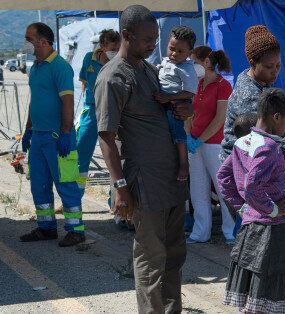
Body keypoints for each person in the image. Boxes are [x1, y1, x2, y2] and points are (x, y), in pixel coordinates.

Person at [95, 5, 190, 313]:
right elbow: (106, 137)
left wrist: (183, 110)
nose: (153, 45)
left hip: (171, 178)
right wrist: (120, 188)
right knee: (151, 259)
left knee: (174, 254)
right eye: (148, 39)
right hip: (146, 182)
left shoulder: (148, 69)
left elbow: (167, 113)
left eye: (156, 38)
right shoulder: (113, 78)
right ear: (126, 35)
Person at [217, 88, 285, 313]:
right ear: (276, 117)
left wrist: (244, 208)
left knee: (254, 292)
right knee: (270, 291)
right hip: (272, 229)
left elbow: (223, 178)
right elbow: (252, 185)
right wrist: (272, 210)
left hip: (252, 226)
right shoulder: (268, 147)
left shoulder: (243, 142)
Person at [220, 25, 285, 188]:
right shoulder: (249, 95)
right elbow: (272, 140)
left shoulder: (261, 82)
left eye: (278, 65)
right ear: (253, 63)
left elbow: (283, 134)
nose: (275, 72)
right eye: (269, 67)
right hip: (243, 176)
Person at [19, 22, 85, 247]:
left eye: (30, 39)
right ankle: (46, 227)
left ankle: (76, 230)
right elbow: (34, 102)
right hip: (38, 136)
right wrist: (28, 130)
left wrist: (66, 132)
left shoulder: (60, 67)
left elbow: (67, 101)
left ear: (44, 42)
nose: (26, 43)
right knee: (39, 183)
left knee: (65, 183)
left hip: (58, 138)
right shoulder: (36, 68)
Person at [186, 45, 235, 244]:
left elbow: (220, 118)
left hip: (214, 144)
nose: (191, 66)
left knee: (222, 189)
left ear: (206, 62)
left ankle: (230, 231)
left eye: (194, 62)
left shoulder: (223, 85)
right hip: (195, 144)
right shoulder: (194, 84)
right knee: (197, 190)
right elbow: (188, 112)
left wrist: (200, 138)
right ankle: (200, 232)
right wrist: (189, 135)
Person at [77, 29, 120, 194]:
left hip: (112, 111)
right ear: (102, 46)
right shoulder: (89, 58)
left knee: (113, 156)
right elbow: (83, 82)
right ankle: (75, 198)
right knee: (82, 154)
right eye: (112, 49)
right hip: (92, 111)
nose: (114, 52)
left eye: (117, 49)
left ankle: (114, 201)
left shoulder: (119, 61)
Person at [154, 25, 198, 181]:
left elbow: (191, 91)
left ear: (189, 54)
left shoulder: (186, 68)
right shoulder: (166, 61)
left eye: (180, 51)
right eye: (172, 48)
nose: (174, 53)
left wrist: (169, 98)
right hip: (164, 102)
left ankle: (184, 163)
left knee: (177, 133)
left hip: (177, 104)